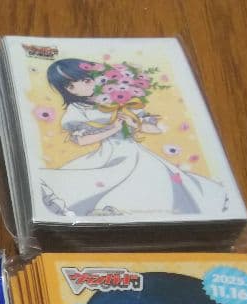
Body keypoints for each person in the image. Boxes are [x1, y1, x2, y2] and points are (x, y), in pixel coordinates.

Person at [39, 58, 227, 216]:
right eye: (71, 86)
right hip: (108, 154)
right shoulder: (77, 109)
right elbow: (80, 140)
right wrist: (113, 128)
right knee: (95, 181)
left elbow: (155, 130)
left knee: (152, 182)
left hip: (136, 153)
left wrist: (134, 123)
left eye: (86, 80)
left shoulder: (120, 98)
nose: (79, 88)